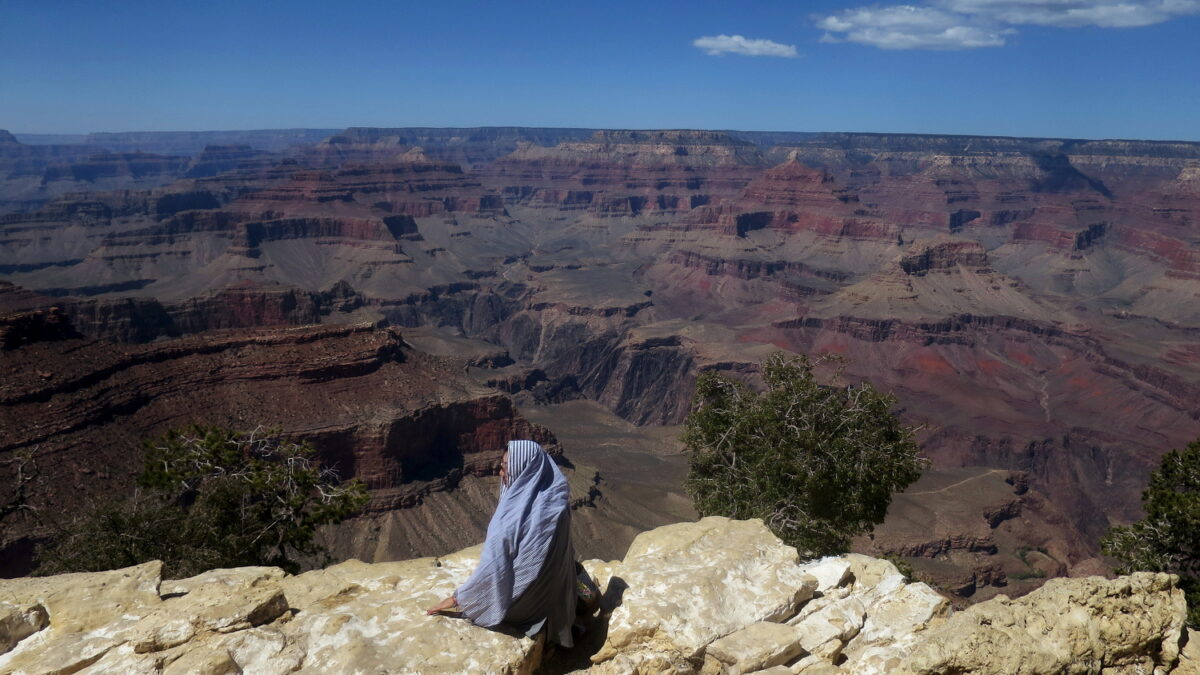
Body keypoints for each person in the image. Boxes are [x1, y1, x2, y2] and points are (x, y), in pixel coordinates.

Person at [426, 440, 578, 647]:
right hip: (558, 601)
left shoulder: (511, 519)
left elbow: (493, 569)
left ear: (523, 469)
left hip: (526, 607)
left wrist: (457, 599)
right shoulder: (556, 499)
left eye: (505, 467)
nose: (500, 473)